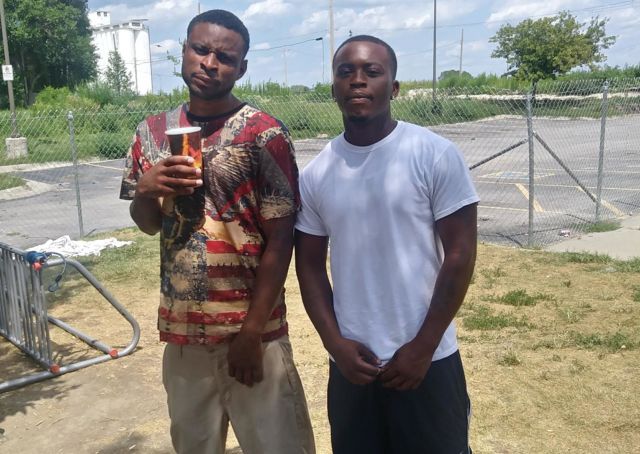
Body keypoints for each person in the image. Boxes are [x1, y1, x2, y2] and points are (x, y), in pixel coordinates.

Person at [120, 9, 314, 454]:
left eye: (225, 57)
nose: (209, 63)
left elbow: (281, 239)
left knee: (279, 446)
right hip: (183, 334)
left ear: (241, 68)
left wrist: (252, 333)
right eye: (201, 50)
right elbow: (149, 225)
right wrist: (146, 190)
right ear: (183, 52)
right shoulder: (152, 132)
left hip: (254, 335)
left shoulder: (264, 134)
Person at [295, 35, 478, 454]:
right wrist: (334, 344)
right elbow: (309, 267)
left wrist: (423, 346)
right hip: (353, 364)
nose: (358, 80)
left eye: (372, 72)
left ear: (393, 88)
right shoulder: (317, 173)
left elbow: (460, 255)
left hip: (428, 359)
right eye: (346, 72)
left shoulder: (433, 154)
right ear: (334, 88)